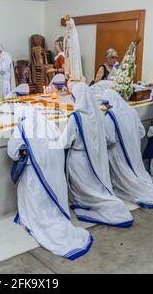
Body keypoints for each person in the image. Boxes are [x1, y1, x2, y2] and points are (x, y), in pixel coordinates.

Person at [7, 105, 93, 260]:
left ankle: (37, 221)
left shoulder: (22, 128)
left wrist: (24, 152)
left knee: (36, 200)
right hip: (54, 173)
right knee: (51, 201)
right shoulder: (50, 125)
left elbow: (12, 152)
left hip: (34, 174)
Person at [61, 83, 133, 227]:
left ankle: (88, 203)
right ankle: (103, 203)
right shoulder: (99, 114)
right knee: (95, 185)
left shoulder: (76, 117)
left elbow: (65, 142)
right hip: (97, 157)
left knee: (85, 191)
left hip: (79, 159)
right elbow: (108, 138)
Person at [102, 89, 153, 209]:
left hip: (118, 152)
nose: (105, 106)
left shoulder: (111, 115)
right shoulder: (131, 110)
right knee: (139, 174)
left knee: (126, 180)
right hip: (134, 151)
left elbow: (109, 138)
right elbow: (141, 132)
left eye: (106, 103)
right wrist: (132, 141)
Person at [63, 17, 85, 82]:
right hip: (68, 52)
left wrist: (69, 41)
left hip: (73, 53)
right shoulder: (66, 32)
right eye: (66, 25)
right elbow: (65, 43)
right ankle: (69, 74)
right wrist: (66, 40)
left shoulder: (74, 33)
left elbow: (75, 44)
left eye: (69, 24)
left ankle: (74, 75)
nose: (68, 26)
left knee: (73, 63)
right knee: (68, 63)